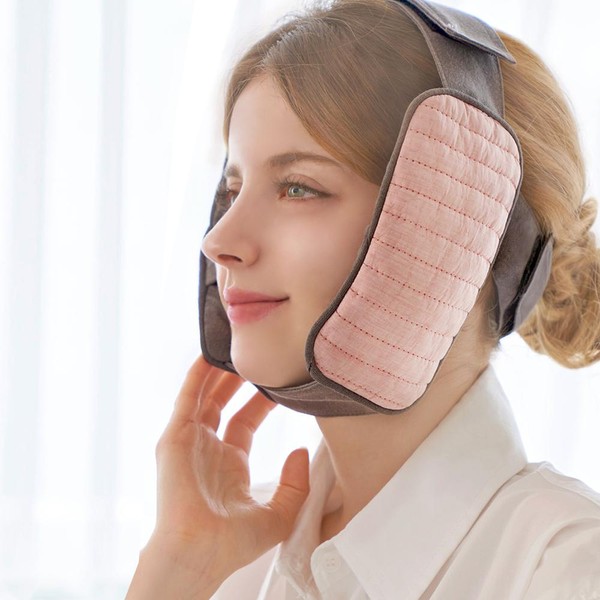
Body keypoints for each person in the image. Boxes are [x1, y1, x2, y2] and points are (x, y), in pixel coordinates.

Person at [126, 0, 600, 598]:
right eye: (234, 187)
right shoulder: (227, 556)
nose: (218, 241)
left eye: (298, 188)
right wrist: (177, 572)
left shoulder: (569, 571)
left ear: (458, 233)